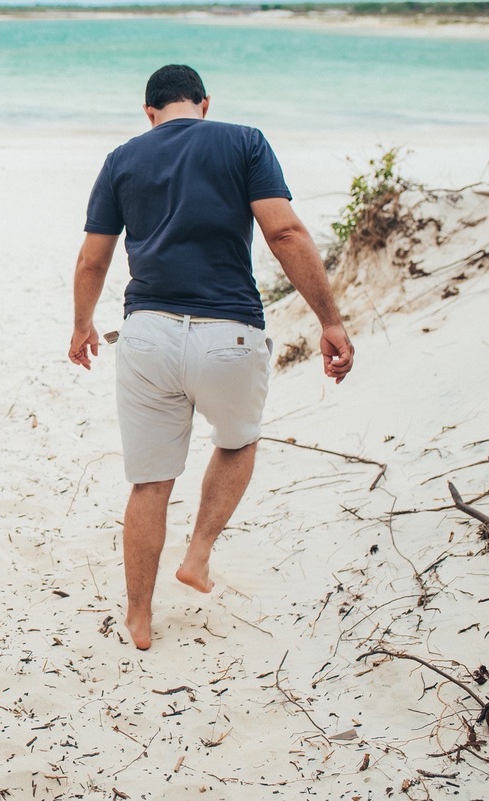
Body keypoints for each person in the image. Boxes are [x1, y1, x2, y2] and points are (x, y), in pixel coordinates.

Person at [67, 64, 353, 651]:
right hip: (230, 333)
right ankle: (198, 554)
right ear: (204, 103)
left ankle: (140, 619)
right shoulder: (243, 141)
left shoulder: (124, 157)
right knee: (238, 440)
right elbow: (285, 234)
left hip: (147, 333)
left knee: (149, 482)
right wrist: (330, 319)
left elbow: (93, 260)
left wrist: (81, 326)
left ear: (149, 113)